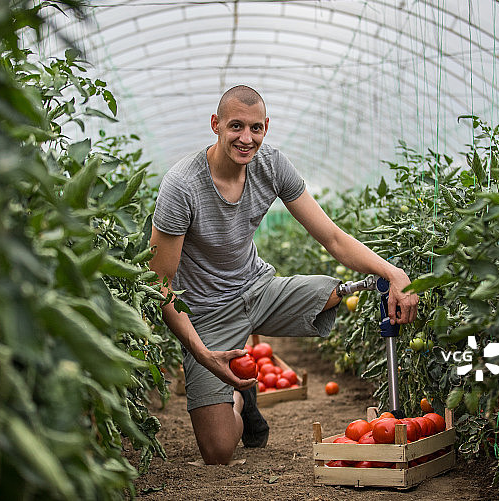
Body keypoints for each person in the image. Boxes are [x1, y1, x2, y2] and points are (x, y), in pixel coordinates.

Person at [149, 85, 418, 465]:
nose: (247, 138)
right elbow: (161, 284)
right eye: (236, 127)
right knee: (218, 451)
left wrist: (394, 273)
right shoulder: (182, 186)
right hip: (208, 316)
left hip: (258, 290)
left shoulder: (272, 166)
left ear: (266, 127)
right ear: (216, 125)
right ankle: (242, 397)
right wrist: (202, 353)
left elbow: (334, 239)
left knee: (334, 293)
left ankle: (242, 377)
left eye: (256, 128)